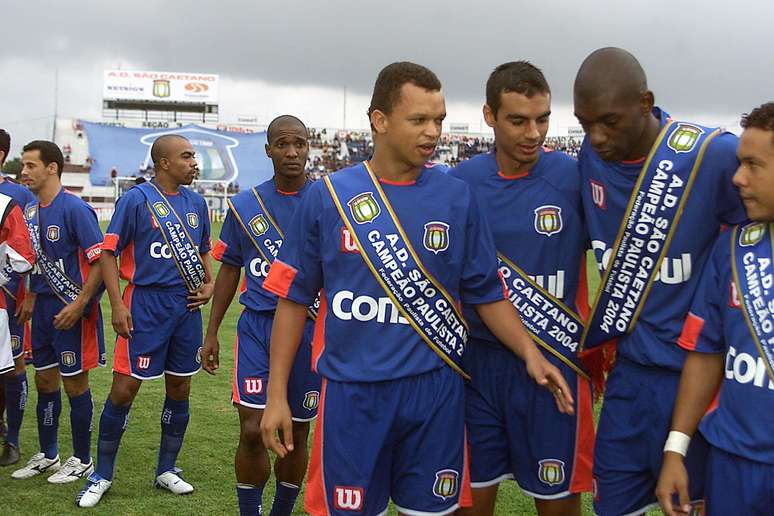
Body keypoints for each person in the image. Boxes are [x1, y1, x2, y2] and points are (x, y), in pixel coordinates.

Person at [260, 61, 574, 516]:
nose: (433, 132)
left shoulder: (456, 197)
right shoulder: (328, 196)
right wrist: (276, 398)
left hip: (436, 397)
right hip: (352, 398)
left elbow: (486, 293)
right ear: (380, 120)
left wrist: (530, 353)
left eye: (439, 120)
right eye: (419, 120)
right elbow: (291, 301)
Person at [573, 47, 746, 515]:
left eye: (609, 121)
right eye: (585, 123)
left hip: (703, 383)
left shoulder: (715, 156)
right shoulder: (589, 158)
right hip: (630, 379)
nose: (597, 136)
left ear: (646, 102)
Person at [449, 62, 594, 516]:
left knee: (557, 506)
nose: (533, 132)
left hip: (555, 367)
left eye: (543, 118)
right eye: (518, 120)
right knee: (468, 505)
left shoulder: (573, 179)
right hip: (476, 369)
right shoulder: (459, 185)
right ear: (489, 115)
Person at [76, 134, 214, 508]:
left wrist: (210, 283)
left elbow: (203, 253)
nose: (193, 162)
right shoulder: (135, 200)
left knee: (180, 389)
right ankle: (101, 474)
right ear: (164, 163)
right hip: (144, 306)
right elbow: (108, 253)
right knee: (124, 389)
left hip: (185, 310)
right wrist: (118, 305)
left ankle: (166, 469)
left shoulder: (198, 204)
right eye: (186, 156)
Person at [655, 102, 774, 516]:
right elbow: (706, 353)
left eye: (753, 165)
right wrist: (676, 450)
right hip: (732, 464)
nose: (738, 178)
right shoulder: (733, 249)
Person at [204, 115, 320, 516]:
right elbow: (230, 268)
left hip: (308, 329)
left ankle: (281, 512)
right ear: (268, 149)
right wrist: (212, 331)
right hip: (257, 328)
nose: (292, 152)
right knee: (252, 430)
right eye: (283, 144)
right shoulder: (245, 205)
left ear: (309, 148)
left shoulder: (328, 200)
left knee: (296, 431)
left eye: (300, 144)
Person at [12, 140, 106, 483]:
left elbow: (99, 261)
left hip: (73, 311)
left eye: (31, 165)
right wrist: (32, 297)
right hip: (43, 311)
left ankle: (82, 459)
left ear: (52, 168)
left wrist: (79, 303)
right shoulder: (31, 213)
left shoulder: (75, 209)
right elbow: (36, 262)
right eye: (23, 165)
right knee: (44, 379)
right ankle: (48, 454)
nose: (24, 172)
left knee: (74, 383)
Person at [0, 128, 37, 467]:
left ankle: (12, 440)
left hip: (10, 297)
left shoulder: (17, 197)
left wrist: (29, 296)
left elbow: (30, 251)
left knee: (12, 366)